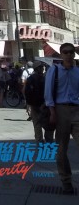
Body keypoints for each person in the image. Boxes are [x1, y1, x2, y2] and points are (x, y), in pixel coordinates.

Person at [45, 43, 79, 195]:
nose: (69, 55)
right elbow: (48, 92)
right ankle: (66, 182)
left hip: (76, 110)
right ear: (61, 54)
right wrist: (52, 111)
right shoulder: (55, 70)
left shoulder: (77, 72)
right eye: (66, 52)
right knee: (61, 149)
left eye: (71, 52)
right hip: (60, 110)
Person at [25, 62, 54, 143]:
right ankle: (49, 140)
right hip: (45, 104)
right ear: (38, 68)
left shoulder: (30, 78)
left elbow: (26, 92)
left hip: (34, 104)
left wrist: (28, 103)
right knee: (47, 123)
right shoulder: (46, 78)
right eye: (41, 67)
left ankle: (39, 140)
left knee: (37, 124)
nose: (42, 69)